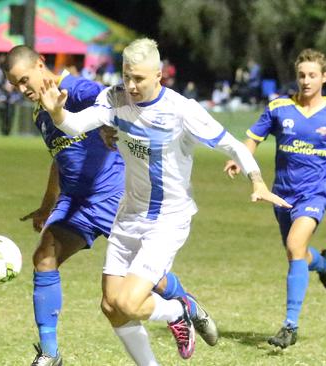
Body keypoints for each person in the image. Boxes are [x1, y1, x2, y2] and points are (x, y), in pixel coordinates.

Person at [36, 38, 290, 364]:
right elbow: (76, 125)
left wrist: (256, 180)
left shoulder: (182, 110)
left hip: (167, 219)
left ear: (159, 75)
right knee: (110, 306)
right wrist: (57, 111)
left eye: (138, 78)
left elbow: (233, 146)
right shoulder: (115, 97)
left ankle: (177, 310)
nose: (131, 85)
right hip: (128, 215)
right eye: (127, 76)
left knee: (128, 303)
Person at [3, 44, 220, 366]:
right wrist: (47, 204)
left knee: (149, 283)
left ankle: (183, 306)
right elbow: (60, 158)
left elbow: (110, 99)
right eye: (15, 84)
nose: (21, 89)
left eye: (24, 80)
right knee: (44, 257)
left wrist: (108, 123)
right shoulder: (40, 111)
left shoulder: (74, 89)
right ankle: (50, 353)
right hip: (75, 202)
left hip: (113, 196)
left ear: (40, 64)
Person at [225, 48, 326, 349]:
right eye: (301, 75)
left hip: (315, 193)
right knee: (298, 253)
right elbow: (253, 139)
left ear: (324, 77)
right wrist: (239, 159)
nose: (306, 81)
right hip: (281, 194)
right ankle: (322, 264)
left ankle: (289, 325)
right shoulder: (279, 108)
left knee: (295, 246)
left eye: (312, 75)